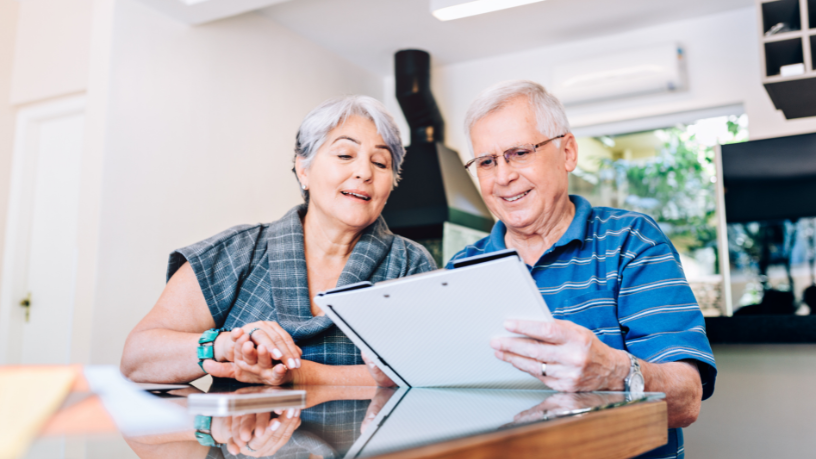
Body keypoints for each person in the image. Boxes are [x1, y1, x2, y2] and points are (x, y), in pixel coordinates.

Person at [447, 80, 716, 459]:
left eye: (519, 152)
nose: (503, 176)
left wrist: (615, 373)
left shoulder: (632, 240)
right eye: (487, 162)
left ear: (567, 152)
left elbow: (686, 399)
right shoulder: (460, 268)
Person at [121, 95, 436, 388]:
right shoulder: (238, 252)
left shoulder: (411, 264)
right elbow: (136, 359)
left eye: (381, 163)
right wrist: (226, 345)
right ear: (304, 169)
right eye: (344, 154)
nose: (364, 172)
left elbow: (431, 371)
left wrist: (300, 374)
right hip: (245, 444)